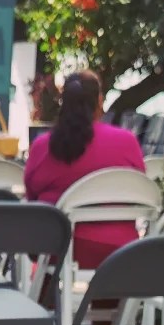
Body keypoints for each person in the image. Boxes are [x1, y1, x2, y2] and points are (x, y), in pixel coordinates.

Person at [23, 70, 146, 269]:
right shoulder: (127, 143)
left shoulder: (43, 146)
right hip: (120, 251)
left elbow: (32, 199)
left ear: (64, 102)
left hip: (59, 251)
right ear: (99, 101)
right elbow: (140, 192)